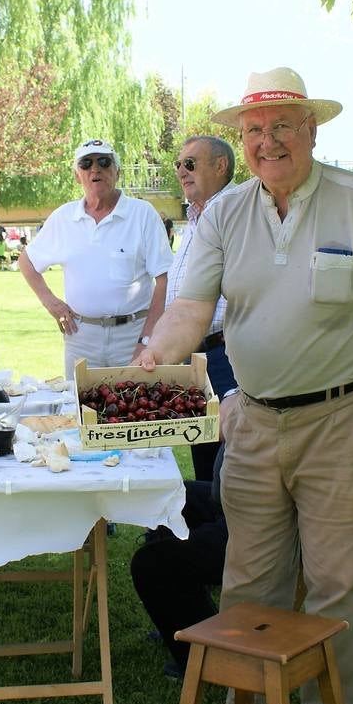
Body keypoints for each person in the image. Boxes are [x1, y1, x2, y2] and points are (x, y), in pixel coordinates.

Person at [137, 67, 353, 704]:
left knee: (337, 578)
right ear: (244, 138)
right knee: (248, 576)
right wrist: (153, 357)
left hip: (346, 419)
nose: (269, 141)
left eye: (283, 126)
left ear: (312, 129)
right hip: (256, 420)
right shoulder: (227, 213)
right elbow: (189, 310)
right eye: (256, 129)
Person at [19, 138, 173, 380]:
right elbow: (27, 261)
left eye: (104, 162)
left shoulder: (142, 214)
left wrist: (147, 340)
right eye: (86, 163)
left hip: (132, 336)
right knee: (81, 411)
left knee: (133, 410)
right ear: (76, 175)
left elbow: (164, 280)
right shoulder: (63, 218)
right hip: (80, 337)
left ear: (117, 171)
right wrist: (52, 303)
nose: (95, 169)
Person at [144, 135, 239, 483]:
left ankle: (229, 534)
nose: (182, 171)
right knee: (205, 457)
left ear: (220, 165)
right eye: (178, 164)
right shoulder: (198, 216)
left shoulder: (234, 210)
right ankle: (214, 534)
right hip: (197, 355)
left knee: (230, 467)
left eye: (190, 163)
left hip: (227, 354)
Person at [130, 446, 227, 679]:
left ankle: (206, 657)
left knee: (151, 563)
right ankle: (187, 626)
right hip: (230, 501)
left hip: (255, 522)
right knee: (170, 498)